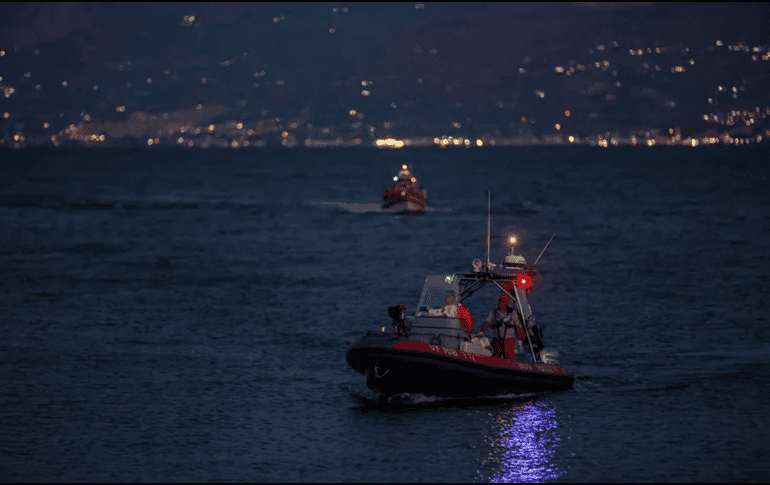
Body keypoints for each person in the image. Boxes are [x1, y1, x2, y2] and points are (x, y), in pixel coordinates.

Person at [480, 293, 524, 360]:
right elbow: (487, 323)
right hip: (497, 340)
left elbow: (518, 328)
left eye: (503, 301)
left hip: (509, 341)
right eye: (500, 301)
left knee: (509, 359)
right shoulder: (493, 313)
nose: (501, 303)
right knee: (496, 358)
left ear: (507, 303)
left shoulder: (512, 313)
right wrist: (481, 332)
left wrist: (520, 343)